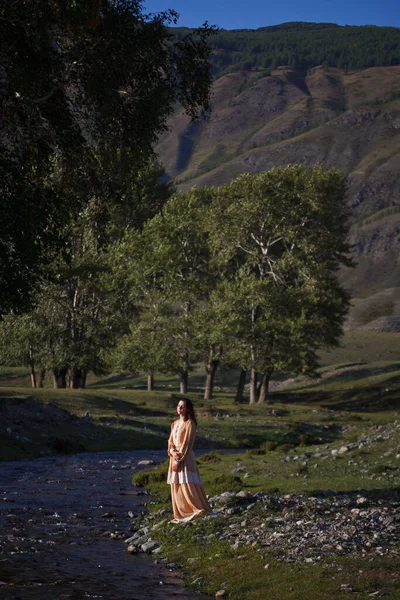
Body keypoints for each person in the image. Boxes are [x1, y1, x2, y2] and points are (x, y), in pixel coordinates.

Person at [167, 398, 211, 523]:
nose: (179, 408)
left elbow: (187, 443)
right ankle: (180, 512)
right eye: (178, 405)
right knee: (176, 484)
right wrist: (172, 453)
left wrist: (179, 457)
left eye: (182, 406)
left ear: (188, 409)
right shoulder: (174, 424)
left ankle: (194, 508)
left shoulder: (190, 423)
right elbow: (170, 441)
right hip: (174, 456)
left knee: (187, 483)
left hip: (185, 458)